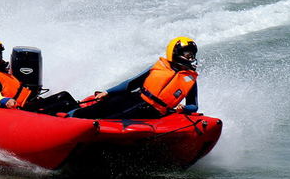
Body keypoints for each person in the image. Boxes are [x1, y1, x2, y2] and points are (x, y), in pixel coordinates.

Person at [69, 37, 200, 119]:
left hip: (152, 112)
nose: (191, 59)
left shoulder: (190, 80)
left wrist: (183, 108)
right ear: (175, 53)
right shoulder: (159, 67)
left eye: (192, 56)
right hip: (135, 98)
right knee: (100, 108)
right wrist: (108, 92)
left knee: (112, 116)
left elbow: (193, 106)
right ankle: (68, 116)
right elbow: (131, 83)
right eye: (188, 55)